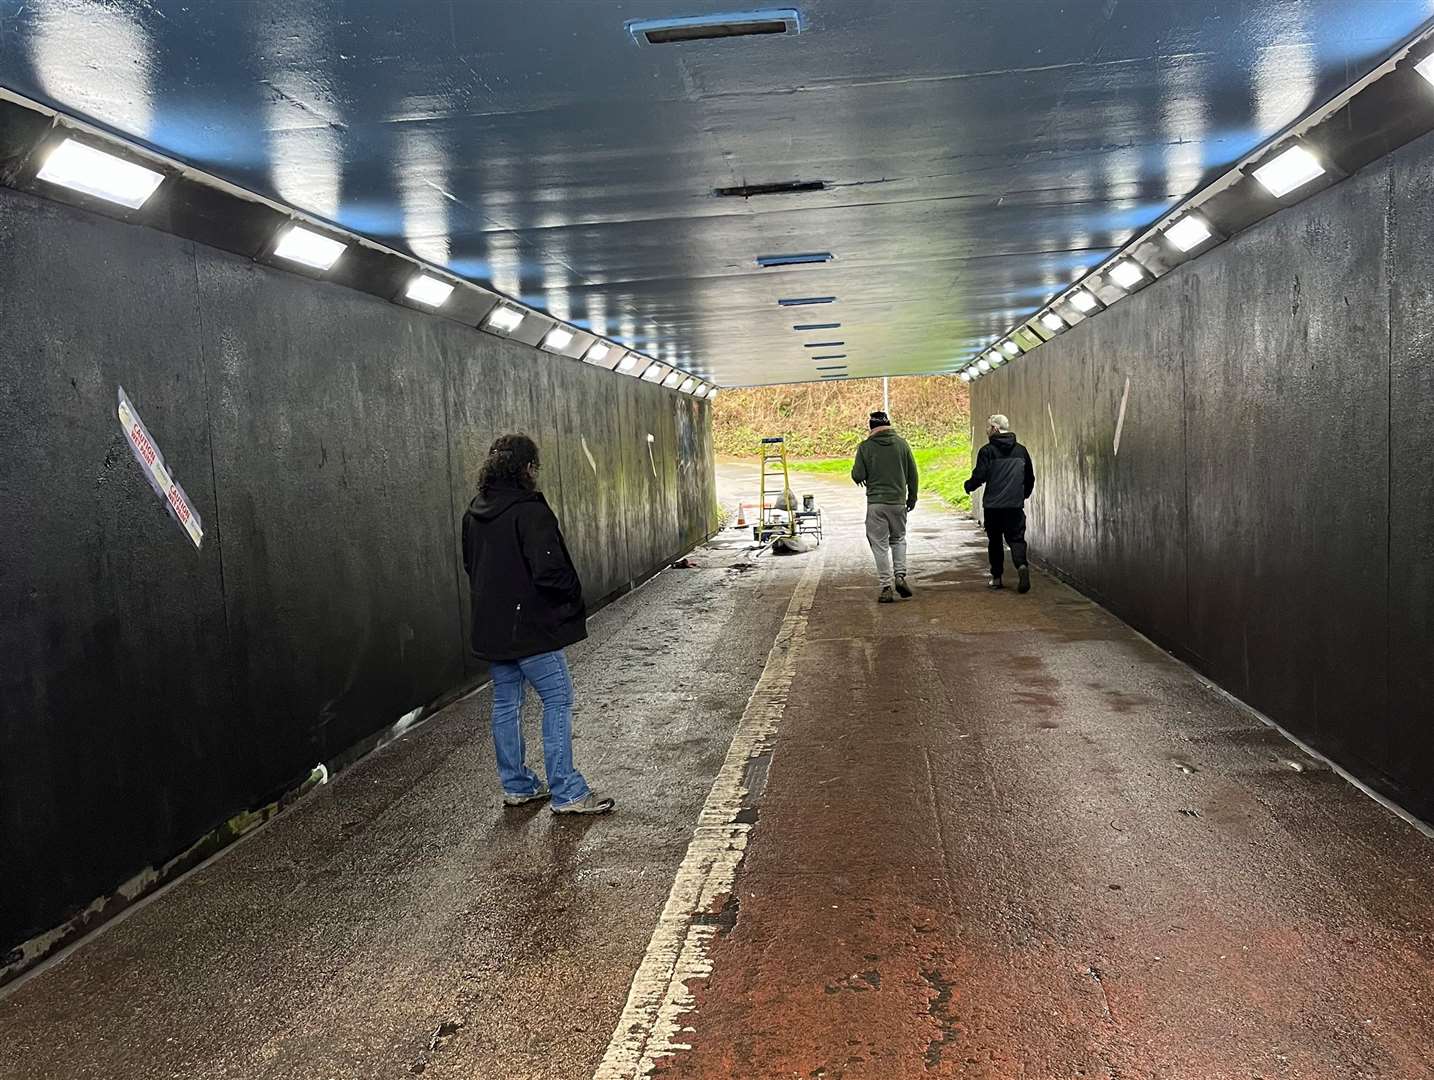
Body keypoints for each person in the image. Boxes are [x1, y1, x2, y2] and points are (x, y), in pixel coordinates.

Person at [461, 433, 614, 815]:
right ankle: (568, 792)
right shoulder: (530, 511)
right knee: (557, 699)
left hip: (492, 627)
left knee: (506, 704)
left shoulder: (473, 513)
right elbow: (551, 571)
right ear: (528, 469)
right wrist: (570, 601)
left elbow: (471, 567)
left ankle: (517, 786)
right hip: (530, 629)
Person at [851, 410, 919, 603]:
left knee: (879, 545)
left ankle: (886, 587)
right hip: (898, 502)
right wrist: (911, 498)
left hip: (876, 504)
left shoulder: (865, 447)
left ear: (871, 428)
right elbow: (913, 474)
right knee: (898, 539)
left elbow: (858, 475)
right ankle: (900, 576)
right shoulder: (902, 444)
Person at [964, 414, 1036, 593]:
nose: (987, 430)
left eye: (988, 427)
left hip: (993, 507)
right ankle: (1021, 566)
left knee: (995, 541)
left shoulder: (987, 451)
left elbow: (980, 476)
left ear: (995, 429)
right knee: (1017, 539)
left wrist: (969, 485)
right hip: (1014, 506)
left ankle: (996, 578)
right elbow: (1030, 478)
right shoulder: (1021, 451)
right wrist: (1022, 496)